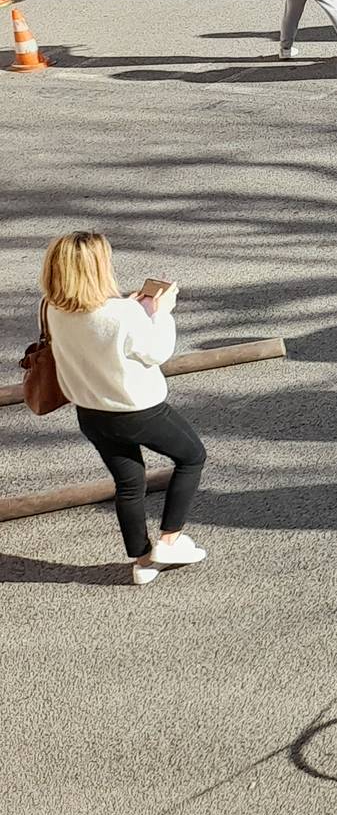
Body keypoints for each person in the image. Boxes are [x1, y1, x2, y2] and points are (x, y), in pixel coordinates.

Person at [39, 231, 209, 586]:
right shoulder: (122, 314)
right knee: (191, 456)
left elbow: (98, 328)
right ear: (98, 268)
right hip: (138, 410)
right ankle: (169, 541)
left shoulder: (52, 308)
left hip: (90, 412)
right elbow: (156, 351)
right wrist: (161, 313)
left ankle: (142, 560)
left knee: (128, 483)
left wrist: (136, 309)